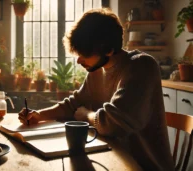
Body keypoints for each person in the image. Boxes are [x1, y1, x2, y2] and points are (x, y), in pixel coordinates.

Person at [18, 8, 174, 170]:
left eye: (84, 54)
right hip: (111, 157)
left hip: (143, 165)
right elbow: (73, 104)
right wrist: (39, 115)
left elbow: (112, 124)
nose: (79, 61)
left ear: (108, 49)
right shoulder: (97, 70)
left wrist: (85, 114)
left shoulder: (141, 66)